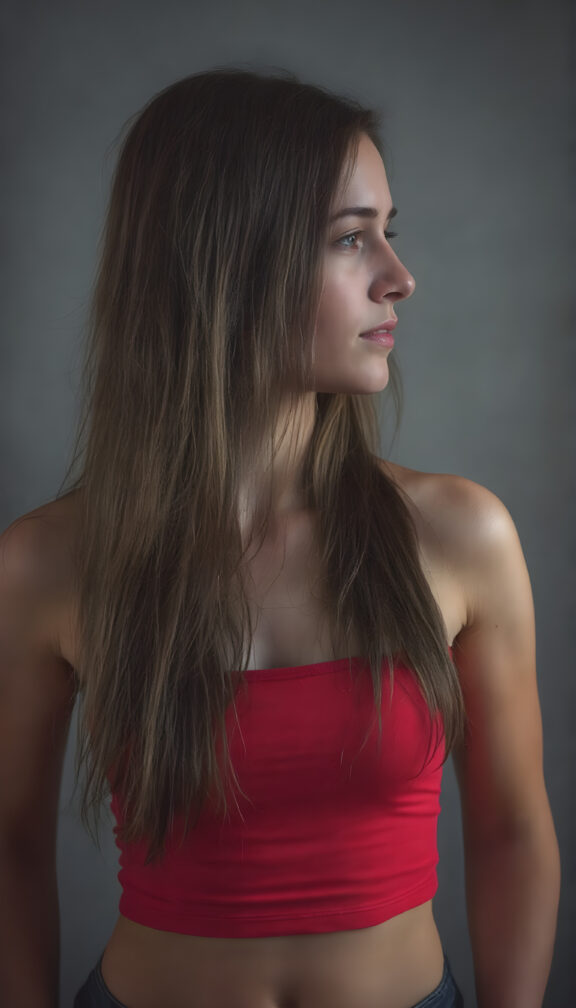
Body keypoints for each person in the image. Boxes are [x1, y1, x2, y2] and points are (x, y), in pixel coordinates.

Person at [0, 67, 560, 1008]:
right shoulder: (45, 565)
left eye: (390, 231)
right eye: (351, 239)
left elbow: (512, 832)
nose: (399, 276)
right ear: (224, 258)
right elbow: (8, 850)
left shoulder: (462, 535)